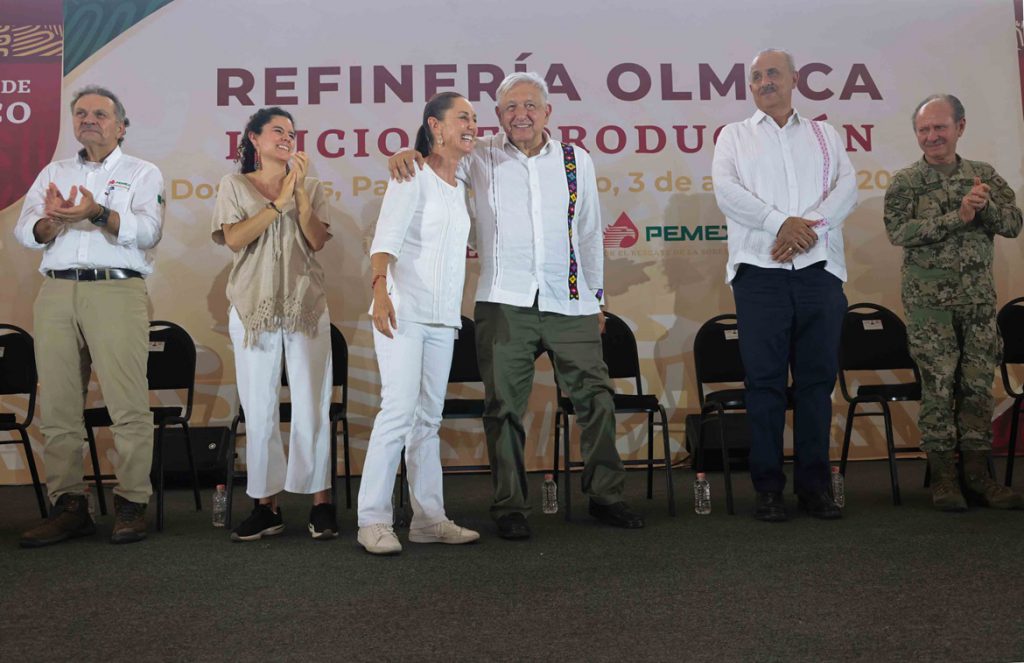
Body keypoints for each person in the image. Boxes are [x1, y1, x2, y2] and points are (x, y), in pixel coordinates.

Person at [389, 72, 644, 539]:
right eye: (509, 108)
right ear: (499, 116)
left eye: (529, 106)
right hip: (504, 303)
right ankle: (510, 506)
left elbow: (588, 233)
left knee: (597, 401)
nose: (520, 115)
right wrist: (412, 152)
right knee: (503, 408)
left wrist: (596, 298)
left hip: (571, 302)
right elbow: (435, 164)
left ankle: (606, 496)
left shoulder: (575, 160)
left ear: (548, 112)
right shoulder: (479, 153)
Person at [711, 49, 857, 522]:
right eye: (756, 76)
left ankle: (815, 489)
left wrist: (805, 229)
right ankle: (768, 489)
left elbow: (846, 189)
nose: (764, 81)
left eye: (773, 73)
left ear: (795, 79)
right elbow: (727, 192)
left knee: (816, 384)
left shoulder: (825, 134)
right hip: (759, 275)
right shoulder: (734, 136)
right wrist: (780, 224)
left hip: (819, 273)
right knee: (766, 386)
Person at [15, 86, 164, 546]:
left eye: (100, 114)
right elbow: (26, 231)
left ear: (121, 125)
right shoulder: (54, 171)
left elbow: (149, 231)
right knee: (58, 405)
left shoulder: (143, 172)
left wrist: (98, 212)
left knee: (127, 403)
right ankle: (69, 506)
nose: (89, 120)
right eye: (80, 113)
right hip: (57, 290)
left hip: (116, 289)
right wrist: (53, 221)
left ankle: (132, 503)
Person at [883, 94, 1023, 511]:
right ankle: (944, 480)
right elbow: (899, 232)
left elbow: (1014, 224)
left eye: (940, 127)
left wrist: (987, 209)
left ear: (960, 128)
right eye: (924, 130)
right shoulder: (906, 182)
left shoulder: (983, 176)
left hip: (978, 305)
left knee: (978, 389)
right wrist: (956, 217)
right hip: (930, 308)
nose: (932, 137)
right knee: (939, 390)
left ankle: (979, 478)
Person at [357, 92, 482, 555]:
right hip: (401, 310)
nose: (471, 125)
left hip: (443, 318)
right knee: (398, 413)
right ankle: (372, 520)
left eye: (475, 118)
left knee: (427, 420)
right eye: (462, 117)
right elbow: (384, 241)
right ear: (435, 125)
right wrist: (379, 293)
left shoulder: (461, 180)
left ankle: (428, 519)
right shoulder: (411, 174)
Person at [211, 107, 338, 541]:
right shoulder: (234, 185)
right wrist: (276, 204)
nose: (286, 137)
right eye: (277, 131)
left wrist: (298, 196)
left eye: (292, 132)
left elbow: (317, 240)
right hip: (253, 311)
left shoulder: (313, 185)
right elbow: (233, 239)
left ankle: (321, 503)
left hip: (305, 308)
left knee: (311, 405)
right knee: (260, 409)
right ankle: (266, 506)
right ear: (254, 138)